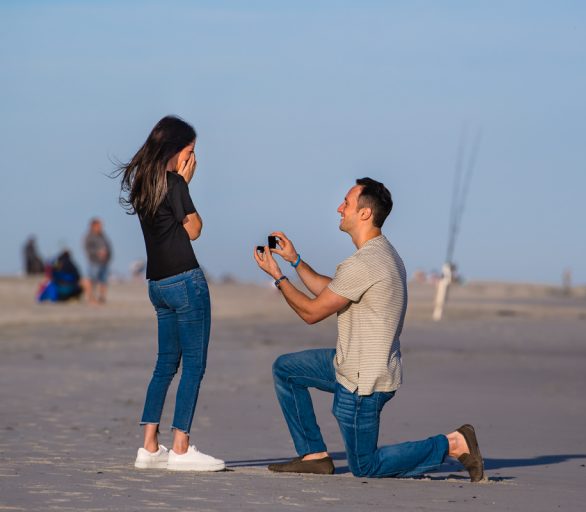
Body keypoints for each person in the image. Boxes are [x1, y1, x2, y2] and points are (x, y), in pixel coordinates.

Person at [253, 177, 485, 481]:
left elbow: (311, 312)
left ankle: (453, 443)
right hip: (349, 365)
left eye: (346, 203)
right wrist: (295, 261)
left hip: (363, 384)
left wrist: (278, 277)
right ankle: (314, 455)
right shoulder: (381, 253)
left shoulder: (366, 262)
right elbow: (331, 290)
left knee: (366, 466)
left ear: (365, 213)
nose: (339, 208)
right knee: (286, 369)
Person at [115, 115, 223, 472]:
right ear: (176, 150)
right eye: (190, 152)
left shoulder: (141, 183)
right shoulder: (174, 182)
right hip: (185, 281)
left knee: (165, 364)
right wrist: (185, 183)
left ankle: (149, 445)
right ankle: (180, 447)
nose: (193, 159)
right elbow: (195, 230)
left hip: (157, 284)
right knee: (194, 364)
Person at [83, 218, 112, 304]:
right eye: (99, 225)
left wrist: (107, 256)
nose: (101, 227)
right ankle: (91, 298)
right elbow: (87, 249)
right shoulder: (89, 236)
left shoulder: (103, 236)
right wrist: (98, 253)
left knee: (103, 281)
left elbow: (109, 247)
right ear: (93, 226)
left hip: (104, 262)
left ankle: (101, 299)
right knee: (91, 280)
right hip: (94, 262)